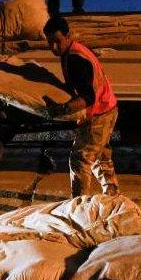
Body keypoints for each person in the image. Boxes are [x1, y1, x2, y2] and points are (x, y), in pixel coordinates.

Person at [42, 16, 119, 197]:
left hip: (98, 114)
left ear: (68, 35)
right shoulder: (74, 50)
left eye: (57, 41)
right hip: (108, 108)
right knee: (101, 157)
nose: (54, 47)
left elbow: (88, 97)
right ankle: (113, 198)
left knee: (80, 160)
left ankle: (79, 207)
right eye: (50, 42)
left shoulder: (76, 59)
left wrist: (60, 110)